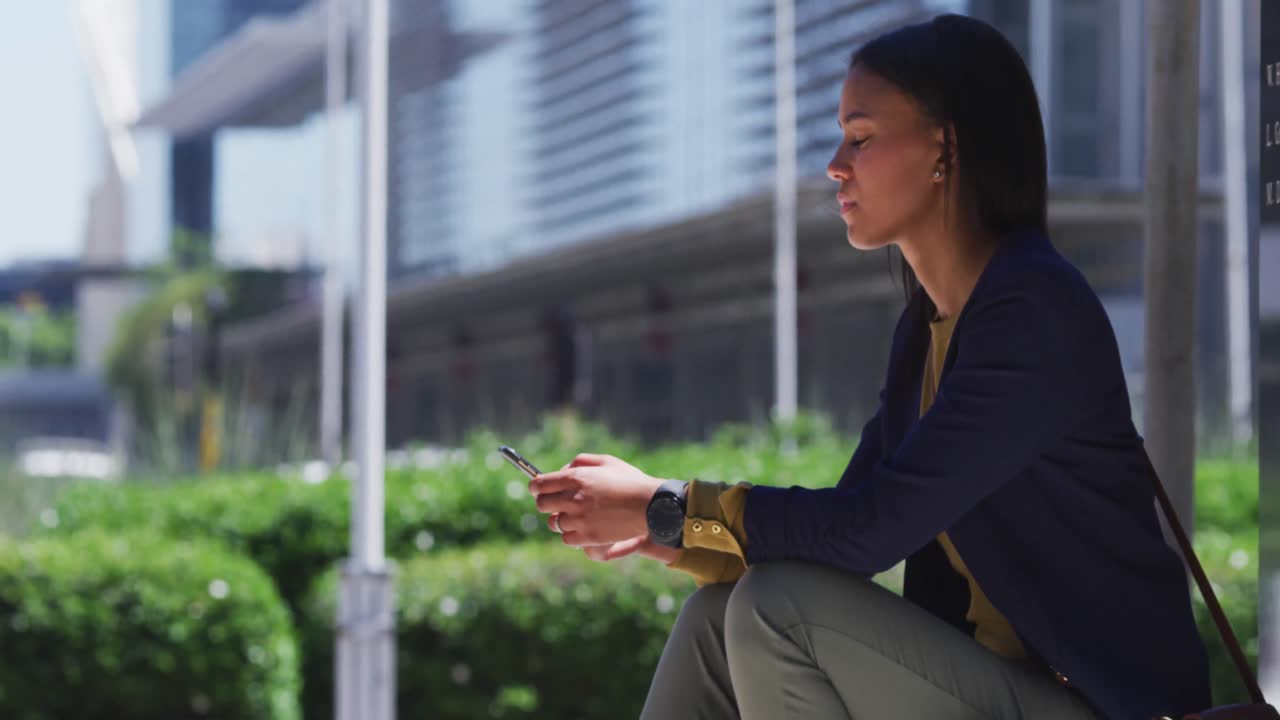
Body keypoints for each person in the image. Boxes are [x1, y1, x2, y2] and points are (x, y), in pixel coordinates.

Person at [527, 13, 1210, 720]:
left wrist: (665, 503)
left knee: (775, 608)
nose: (835, 164)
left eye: (860, 138)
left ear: (945, 147)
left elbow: (871, 528)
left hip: (1096, 705)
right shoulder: (924, 331)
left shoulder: (1033, 311)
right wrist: (662, 529)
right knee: (717, 615)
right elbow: (840, 534)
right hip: (995, 690)